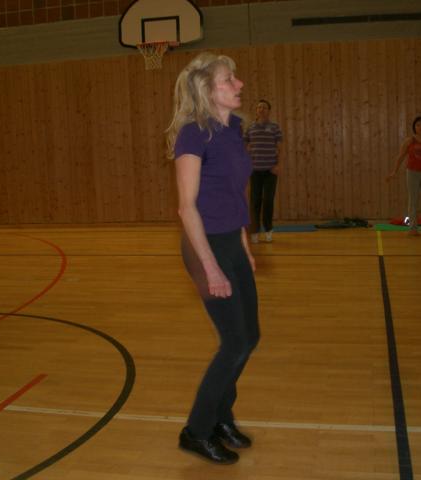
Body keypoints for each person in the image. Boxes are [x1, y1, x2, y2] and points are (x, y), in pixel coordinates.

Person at [166, 52, 260, 465]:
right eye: (228, 79)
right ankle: (197, 430)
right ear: (206, 89)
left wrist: (244, 247)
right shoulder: (193, 135)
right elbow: (187, 208)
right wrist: (211, 267)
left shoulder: (234, 129)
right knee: (235, 342)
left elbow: (234, 195)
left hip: (230, 241)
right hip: (204, 245)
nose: (239, 84)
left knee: (249, 337)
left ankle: (222, 417)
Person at [386, 116, 421, 236]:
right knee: (413, 200)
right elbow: (400, 156)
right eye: (418, 125)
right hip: (412, 173)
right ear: (414, 127)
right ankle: (413, 228)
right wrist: (394, 171)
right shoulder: (410, 141)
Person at [244, 100, 283, 243]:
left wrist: (278, 165)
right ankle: (254, 231)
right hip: (255, 171)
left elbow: (280, 148)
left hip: (270, 171)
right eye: (259, 107)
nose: (261, 109)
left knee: (268, 201)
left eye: (264, 107)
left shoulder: (275, 127)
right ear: (256, 110)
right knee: (255, 201)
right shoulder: (250, 128)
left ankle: (268, 229)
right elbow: (244, 145)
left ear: (269, 110)